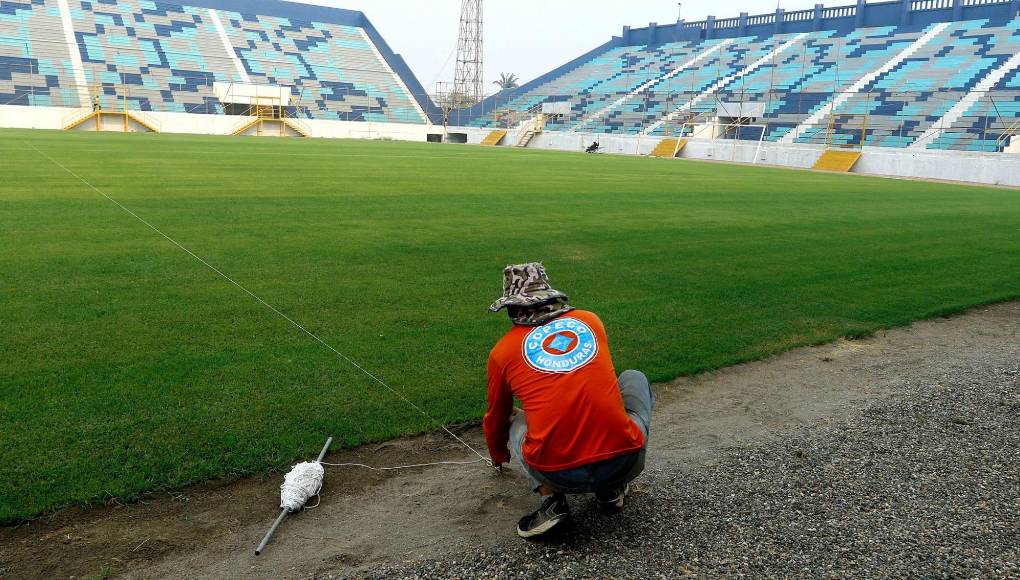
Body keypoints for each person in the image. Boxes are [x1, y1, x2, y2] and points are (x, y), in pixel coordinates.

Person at [484, 262, 655, 539]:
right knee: (634, 378)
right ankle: (611, 488)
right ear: (551, 296)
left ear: (512, 308)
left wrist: (498, 455)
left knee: (520, 419)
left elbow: (496, 416)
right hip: (626, 461)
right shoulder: (591, 321)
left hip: (558, 473)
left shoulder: (502, 352)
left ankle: (552, 503)